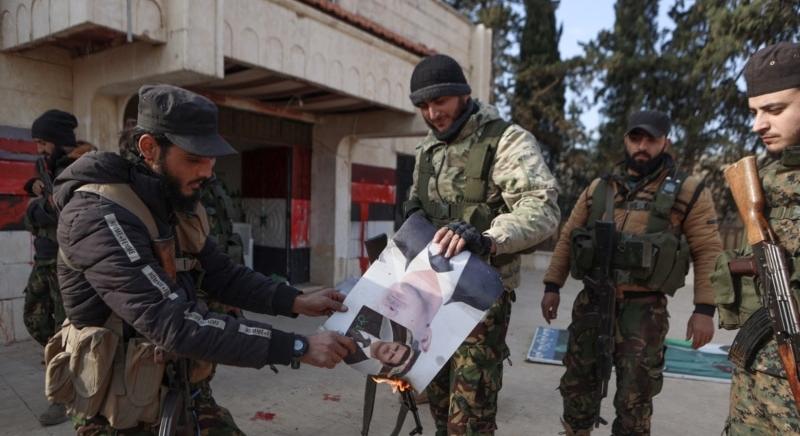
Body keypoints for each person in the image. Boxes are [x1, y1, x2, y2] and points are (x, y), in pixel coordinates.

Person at [51, 84, 356, 434]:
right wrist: (298, 346)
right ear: (149, 148)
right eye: (194, 158)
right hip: (120, 413)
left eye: (210, 158)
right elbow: (172, 322)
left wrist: (297, 300)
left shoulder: (171, 203)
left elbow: (221, 274)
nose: (207, 172)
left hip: (180, 391)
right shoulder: (97, 215)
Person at [402, 54, 560, 435]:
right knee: (437, 400)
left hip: (479, 297)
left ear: (463, 95)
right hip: (430, 295)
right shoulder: (428, 149)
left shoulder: (505, 140)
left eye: (439, 101)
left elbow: (543, 207)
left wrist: (488, 239)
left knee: (469, 417)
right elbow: (417, 208)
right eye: (423, 105)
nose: (432, 113)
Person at [541, 109, 723, 435]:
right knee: (578, 384)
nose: (642, 145)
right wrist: (552, 284)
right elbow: (569, 236)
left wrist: (704, 310)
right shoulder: (600, 188)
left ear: (665, 141)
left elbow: (708, 249)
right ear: (626, 139)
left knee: (635, 397)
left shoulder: (688, 189)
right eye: (635, 138)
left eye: (650, 139)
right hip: (593, 303)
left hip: (645, 311)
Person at [723, 41, 800, 435]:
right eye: (754, 112)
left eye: (775, 109)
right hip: (754, 388)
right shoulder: (764, 181)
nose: (758, 125)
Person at [22, 109, 93, 426]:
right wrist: (37, 192)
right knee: (35, 319)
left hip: (68, 263)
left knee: (66, 335)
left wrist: (36, 209)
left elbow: (63, 211)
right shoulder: (49, 168)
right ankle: (71, 371)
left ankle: (64, 398)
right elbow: (45, 206)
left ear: (60, 140)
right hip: (45, 258)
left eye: (43, 142)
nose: (39, 149)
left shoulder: (80, 168)